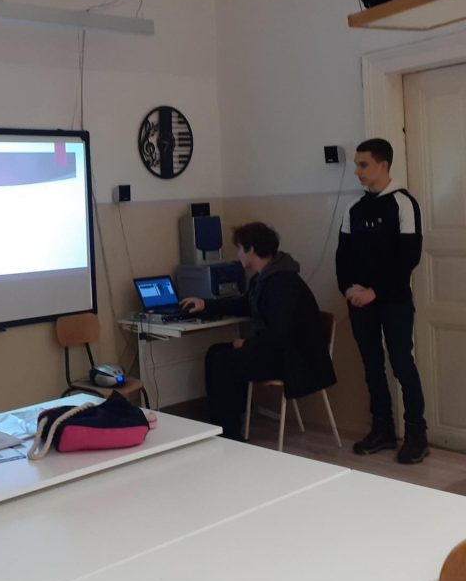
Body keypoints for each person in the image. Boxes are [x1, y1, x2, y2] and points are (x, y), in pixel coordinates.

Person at [181, 222, 335, 440]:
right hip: (278, 350)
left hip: (295, 360)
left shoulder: (282, 284)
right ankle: (223, 425)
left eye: (239, 249)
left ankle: (230, 433)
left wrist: (246, 344)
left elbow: (280, 335)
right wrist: (206, 304)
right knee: (215, 353)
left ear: (251, 249)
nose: (237, 254)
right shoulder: (265, 277)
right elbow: (244, 304)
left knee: (224, 361)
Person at [336, 138, 427, 464]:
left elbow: (408, 257)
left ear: (383, 165)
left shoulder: (404, 203)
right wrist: (349, 290)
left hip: (394, 301)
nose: (357, 171)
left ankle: (416, 434)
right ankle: (383, 429)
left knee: (402, 364)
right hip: (359, 303)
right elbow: (343, 256)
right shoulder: (353, 208)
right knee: (372, 365)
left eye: (363, 165)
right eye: (357, 165)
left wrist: (375, 291)